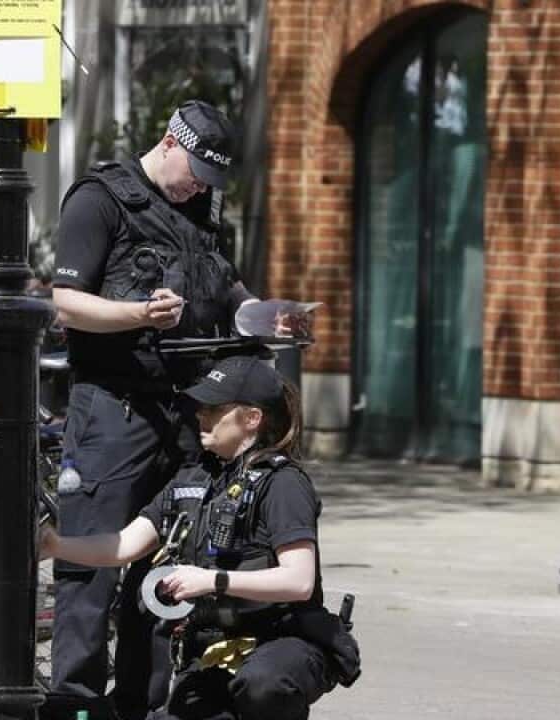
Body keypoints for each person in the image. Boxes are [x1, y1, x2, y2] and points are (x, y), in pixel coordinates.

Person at [46, 100, 267, 720]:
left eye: (211, 178)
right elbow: (66, 303)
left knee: (167, 565)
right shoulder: (100, 198)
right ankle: (76, 704)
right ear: (170, 141)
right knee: (90, 566)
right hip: (111, 409)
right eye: (195, 170)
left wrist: (267, 317)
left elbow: (229, 288)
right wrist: (139, 314)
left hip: (183, 410)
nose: (200, 186)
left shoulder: (203, 208)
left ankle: (141, 706)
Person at [41, 355, 360, 720]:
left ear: (251, 419)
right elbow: (124, 545)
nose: (200, 415)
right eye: (201, 406)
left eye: (214, 408)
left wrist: (212, 580)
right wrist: (55, 545)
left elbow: (298, 581)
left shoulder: (284, 483)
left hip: (284, 642)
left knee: (263, 687)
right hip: (214, 647)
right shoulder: (193, 479)